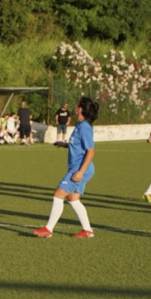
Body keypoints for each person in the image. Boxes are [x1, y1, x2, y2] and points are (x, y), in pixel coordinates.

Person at [33, 97, 98, 239]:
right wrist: (65, 145)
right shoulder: (80, 125)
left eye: (77, 105)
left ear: (81, 108)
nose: (74, 106)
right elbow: (79, 146)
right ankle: (87, 230)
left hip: (80, 169)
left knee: (58, 194)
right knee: (73, 199)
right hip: (78, 168)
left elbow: (90, 151)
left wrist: (80, 172)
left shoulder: (85, 127)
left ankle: (48, 229)